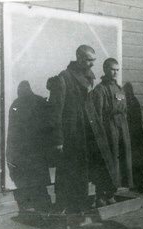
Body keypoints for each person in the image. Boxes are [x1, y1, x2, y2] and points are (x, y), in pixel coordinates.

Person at [46, 45, 96, 214]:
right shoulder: (64, 78)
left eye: (93, 61)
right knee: (66, 172)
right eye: (89, 60)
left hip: (85, 135)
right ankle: (62, 205)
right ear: (79, 58)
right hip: (69, 136)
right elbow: (55, 112)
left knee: (82, 171)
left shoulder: (89, 77)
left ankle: (80, 205)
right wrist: (58, 141)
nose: (92, 64)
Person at [91, 58, 133, 206]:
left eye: (117, 69)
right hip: (108, 129)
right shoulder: (100, 90)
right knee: (106, 161)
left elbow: (125, 110)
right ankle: (100, 195)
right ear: (105, 70)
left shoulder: (119, 89)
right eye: (111, 69)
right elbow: (98, 115)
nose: (114, 72)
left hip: (121, 128)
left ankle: (110, 193)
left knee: (118, 161)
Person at [7, 80, 52, 213]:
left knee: (29, 179)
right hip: (36, 149)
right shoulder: (39, 101)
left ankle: (35, 207)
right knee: (39, 181)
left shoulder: (17, 104)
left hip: (26, 149)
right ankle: (44, 207)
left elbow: (12, 132)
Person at [123, 82, 143, 193]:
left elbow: (140, 118)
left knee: (137, 161)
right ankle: (132, 183)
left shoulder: (134, 102)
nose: (129, 92)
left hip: (136, 135)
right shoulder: (126, 102)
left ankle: (138, 183)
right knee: (133, 161)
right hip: (131, 134)